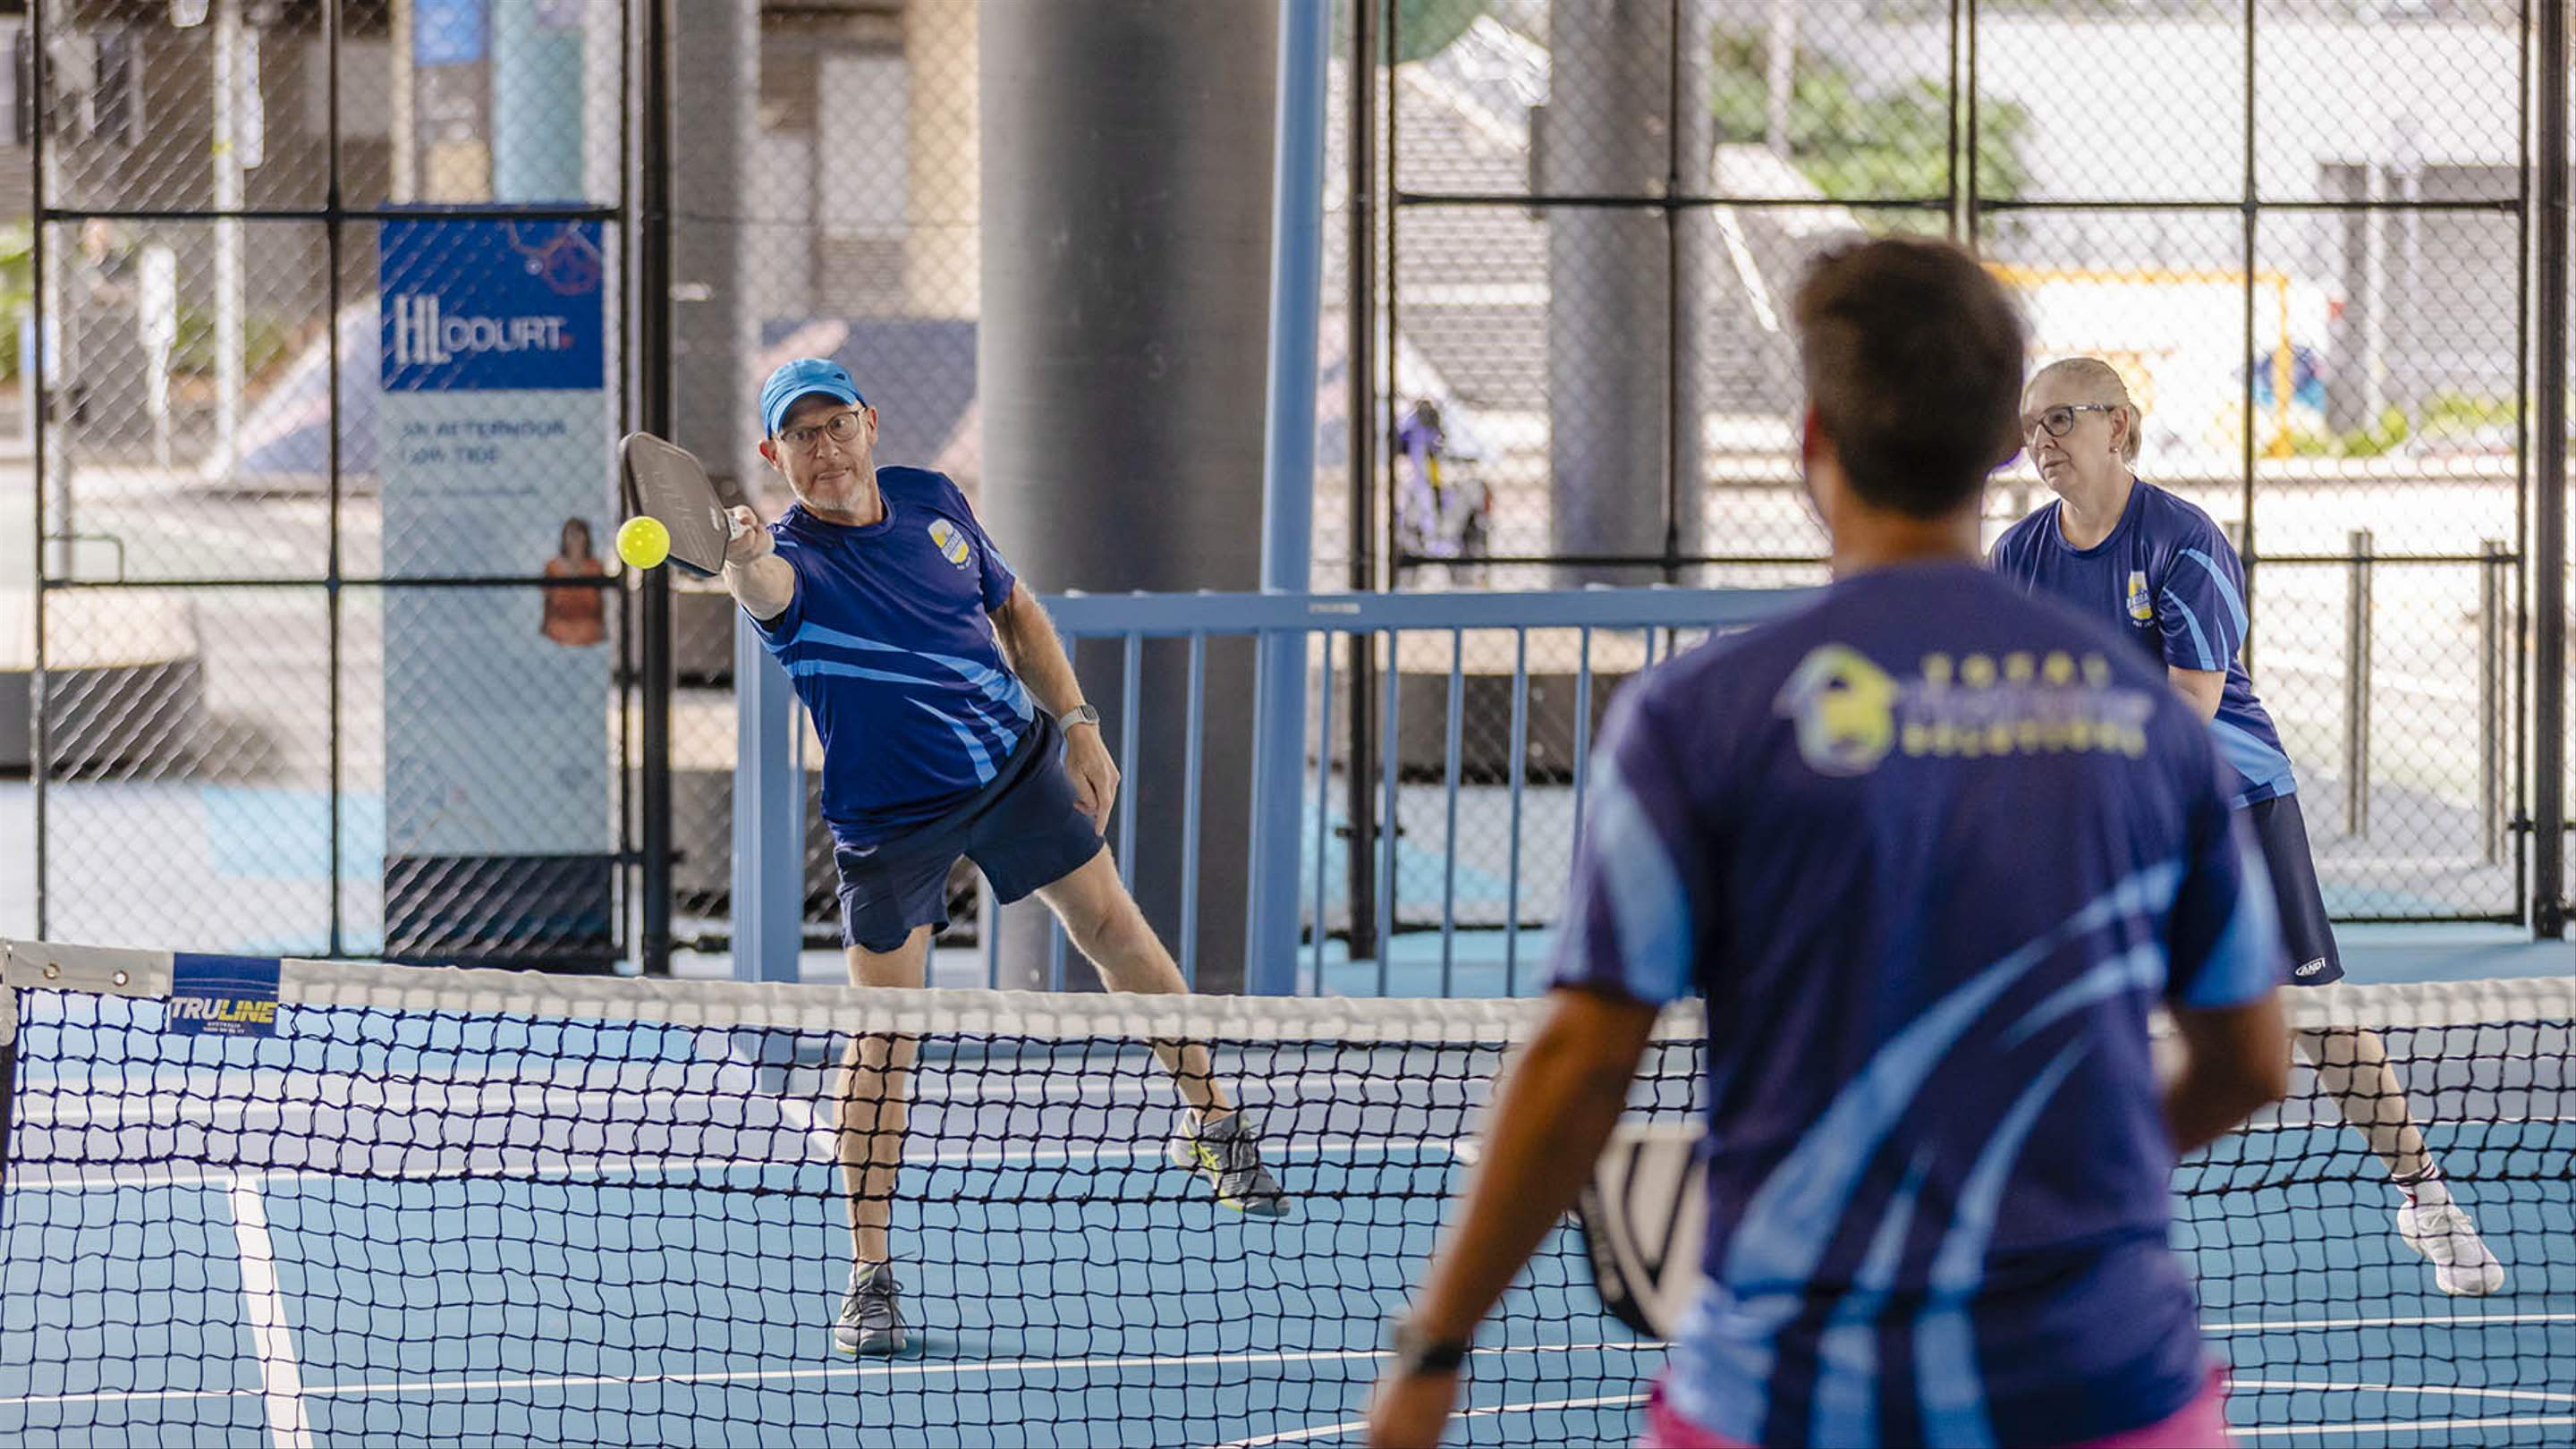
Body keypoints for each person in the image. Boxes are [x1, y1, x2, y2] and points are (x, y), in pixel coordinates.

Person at [1369, 238, 2290, 1449]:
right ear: (2000, 452)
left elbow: (1581, 1063)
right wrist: (2050, 1174)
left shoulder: (1700, 718)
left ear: (1814, 444)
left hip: (1788, 1392)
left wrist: (1435, 1346)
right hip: (2107, 1382)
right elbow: (2253, 1063)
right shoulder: (2149, 726)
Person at [721, 358, 1291, 1359]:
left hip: (1017, 765)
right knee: (885, 1039)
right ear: (774, 456)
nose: (824, 448)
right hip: (890, 823)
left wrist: (1077, 722)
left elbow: (1015, 609)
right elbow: (761, 586)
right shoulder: (790, 564)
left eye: (837, 423)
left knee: (1118, 930)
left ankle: (1215, 1122)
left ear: (870, 422)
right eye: (799, 435)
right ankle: (870, 1275)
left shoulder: (936, 502)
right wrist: (737, 557)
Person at [1990, 357, 2505, 1298]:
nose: (2043, 439)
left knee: (2318, 1018)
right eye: (2032, 423)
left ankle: (2429, 1198)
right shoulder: (2019, 555)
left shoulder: (2182, 541)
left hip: (2233, 803)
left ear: (2121, 426)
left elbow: (2192, 699)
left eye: (2062, 418)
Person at [540, 516, 606, 648]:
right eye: (571, 533)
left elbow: (601, 602)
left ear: (587, 538)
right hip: (559, 625)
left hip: (589, 626)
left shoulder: (596, 567)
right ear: (564, 538)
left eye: (579, 533)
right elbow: (547, 600)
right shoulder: (552, 567)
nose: (575, 538)